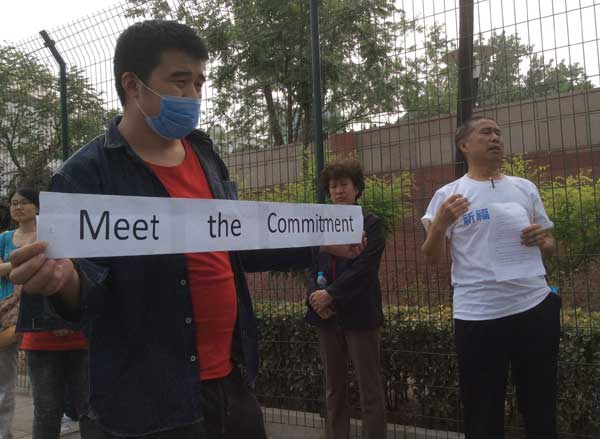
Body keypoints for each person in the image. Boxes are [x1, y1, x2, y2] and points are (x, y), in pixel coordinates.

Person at [8, 20, 362, 439]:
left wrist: (319, 241)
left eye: (199, 83)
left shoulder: (206, 155)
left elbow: (237, 242)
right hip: (144, 401)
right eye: (179, 82)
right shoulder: (84, 175)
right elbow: (82, 287)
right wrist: (64, 282)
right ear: (132, 84)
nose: (193, 96)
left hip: (231, 383)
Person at [421, 116, 560, 439]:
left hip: (534, 307)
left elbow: (551, 245)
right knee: (482, 409)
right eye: (486, 132)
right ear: (464, 145)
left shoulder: (525, 188)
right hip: (478, 315)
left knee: (540, 403)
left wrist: (544, 240)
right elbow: (431, 258)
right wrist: (440, 225)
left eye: (498, 132)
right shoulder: (449, 195)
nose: (495, 137)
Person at [306, 160, 386, 439]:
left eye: (343, 185)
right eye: (333, 186)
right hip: (326, 317)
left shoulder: (371, 223)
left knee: (370, 388)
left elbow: (364, 268)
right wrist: (315, 299)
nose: (338, 191)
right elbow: (309, 262)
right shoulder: (320, 225)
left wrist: (331, 295)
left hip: (360, 314)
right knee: (334, 387)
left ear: (357, 189)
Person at [0, 187, 38, 439]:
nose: (18, 206)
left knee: (43, 373)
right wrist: (27, 262)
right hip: (7, 311)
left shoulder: (47, 234)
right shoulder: (5, 237)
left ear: (37, 206)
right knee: (4, 377)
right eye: (14, 202)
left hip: (38, 310)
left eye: (24, 202)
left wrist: (9, 266)